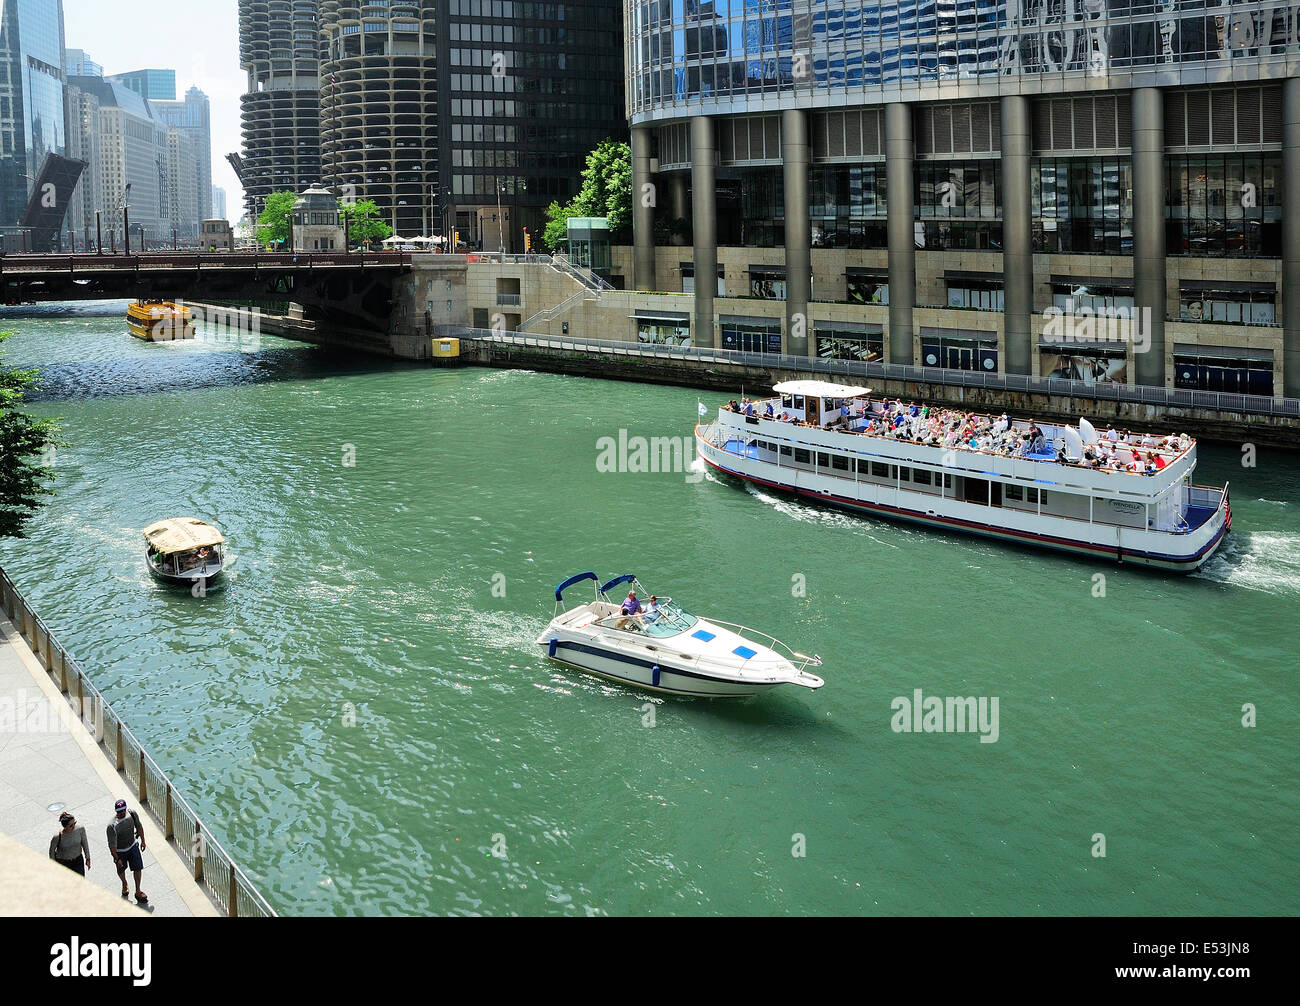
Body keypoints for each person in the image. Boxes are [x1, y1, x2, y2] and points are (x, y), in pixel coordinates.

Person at [107, 799, 147, 903]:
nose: (122, 813)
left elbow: (139, 827)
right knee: (121, 870)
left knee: (138, 868)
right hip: (120, 851)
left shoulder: (132, 814)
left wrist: (143, 841)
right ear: (116, 812)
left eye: (123, 810)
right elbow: (111, 845)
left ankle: (138, 891)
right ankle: (124, 883)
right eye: (119, 811)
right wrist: (117, 858)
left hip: (133, 846)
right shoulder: (112, 826)